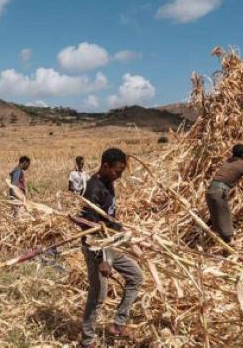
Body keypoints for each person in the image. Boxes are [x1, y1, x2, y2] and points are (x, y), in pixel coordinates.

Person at [78, 148, 143, 348]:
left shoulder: (108, 183)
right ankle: (87, 341)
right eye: (117, 171)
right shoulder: (92, 189)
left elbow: (109, 219)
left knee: (136, 276)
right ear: (105, 166)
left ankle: (119, 324)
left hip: (111, 244)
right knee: (98, 296)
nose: (119, 176)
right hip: (97, 248)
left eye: (121, 172)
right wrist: (102, 259)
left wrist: (127, 235)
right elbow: (91, 229)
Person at [206, 144, 243, 243]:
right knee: (226, 218)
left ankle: (207, 238)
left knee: (214, 218)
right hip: (219, 193)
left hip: (209, 191)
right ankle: (229, 244)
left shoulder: (228, 161)